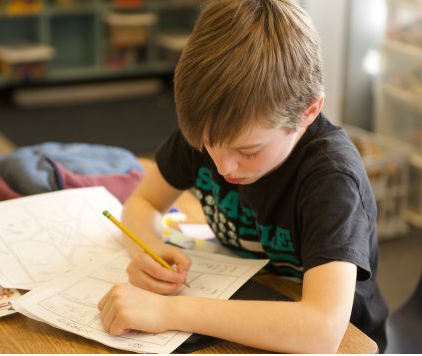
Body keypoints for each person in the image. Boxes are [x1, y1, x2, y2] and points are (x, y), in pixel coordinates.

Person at [97, 0, 388, 352]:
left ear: (307, 112)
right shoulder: (217, 130)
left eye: (248, 152)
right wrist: (149, 248)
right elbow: (143, 202)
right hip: (238, 306)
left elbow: (322, 331)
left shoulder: (332, 180)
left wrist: (169, 310)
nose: (223, 167)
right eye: (207, 145)